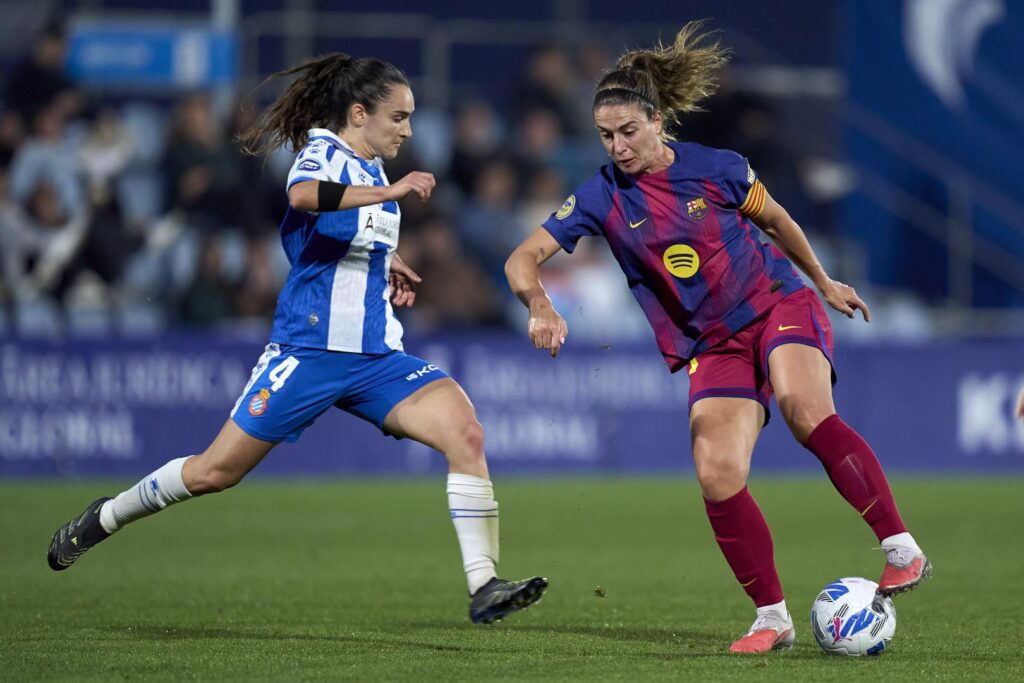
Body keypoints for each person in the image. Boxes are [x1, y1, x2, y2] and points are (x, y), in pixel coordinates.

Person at [47, 53, 547, 625]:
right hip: (307, 351)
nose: (408, 130)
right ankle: (105, 516)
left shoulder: (373, 167)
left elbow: (342, 234)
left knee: (465, 431)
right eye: (399, 117)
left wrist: (390, 261)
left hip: (376, 355)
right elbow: (305, 197)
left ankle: (484, 586)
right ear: (359, 113)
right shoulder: (325, 153)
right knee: (214, 472)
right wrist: (394, 195)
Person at [504, 23, 929, 654]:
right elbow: (522, 257)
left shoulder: (718, 168)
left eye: (628, 132)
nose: (617, 147)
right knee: (717, 470)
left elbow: (777, 219)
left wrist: (824, 280)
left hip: (778, 304)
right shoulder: (600, 195)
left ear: (656, 121)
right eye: (605, 136)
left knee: (803, 409)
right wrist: (539, 302)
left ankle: (902, 549)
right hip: (713, 343)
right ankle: (772, 618)